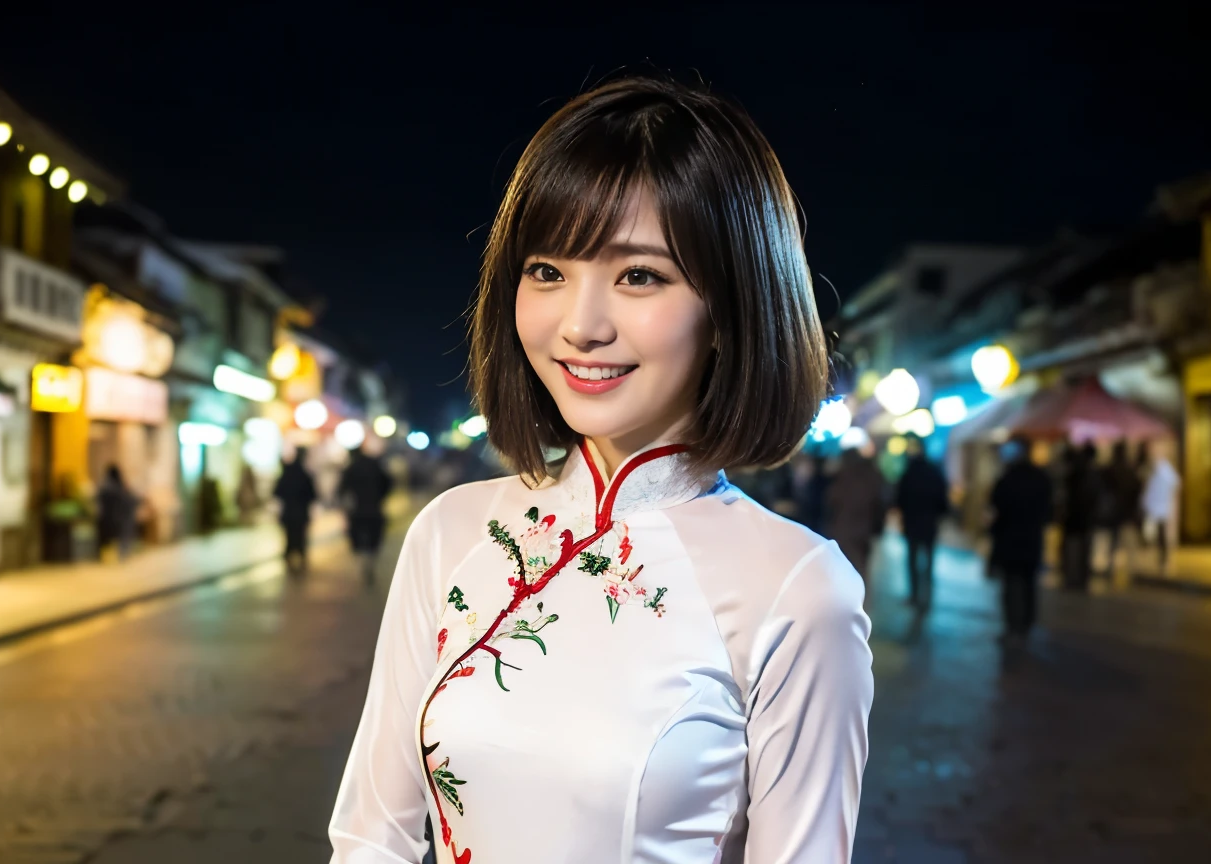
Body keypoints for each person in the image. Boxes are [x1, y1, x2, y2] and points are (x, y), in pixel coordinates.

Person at [328, 77, 873, 862]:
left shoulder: (798, 588)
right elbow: (369, 836)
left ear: (731, 307)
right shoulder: (451, 533)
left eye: (639, 276)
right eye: (547, 270)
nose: (580, 326)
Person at [989, 438, 1054, 639]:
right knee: (1028, 583)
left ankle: (1013, 625)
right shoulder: (1040, 478)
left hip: (1010, 539)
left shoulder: (1008, 478)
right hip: (1031, 539)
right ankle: (1025, 623)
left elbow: (997, 505)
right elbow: (1048, 512)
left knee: (1011, 585)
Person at [824, 441, 887, 601]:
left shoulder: (843, 477)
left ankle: (848, 600)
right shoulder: (871, 475)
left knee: (845, 565)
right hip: (863, 529)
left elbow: (832, 500)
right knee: (861, 566)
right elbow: (880, 502)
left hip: (844, 529)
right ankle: (860, 599)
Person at [895, 435, 949, 611]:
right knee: (928, 561)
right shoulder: (934, 472)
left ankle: (915, 595)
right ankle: (926, 597)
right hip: (929, 523)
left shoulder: (909, 472)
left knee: (912, 560)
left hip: (913, 522)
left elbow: (900, 499)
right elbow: (942, 500)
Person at [339, 435, 395, 586]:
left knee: (356, 537)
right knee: (374, 538)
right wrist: (380, 497)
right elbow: (388, 482)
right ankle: (369, 562)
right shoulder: (375, 464)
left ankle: (362, 562)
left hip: (357, 510)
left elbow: (342, 489)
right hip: (374, 508)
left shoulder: (351, 467)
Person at [1060, 442, 1102, 591]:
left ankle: (1073, 579)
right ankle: (1080, 579)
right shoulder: (1090, 474)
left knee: (1074, 551)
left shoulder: (1076, 473)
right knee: (1082, 551)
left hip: (1076, 519)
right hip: (1083, 519)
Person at [1102, 440, 1142, 578]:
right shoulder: (1128, 471)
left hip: (1117, 511)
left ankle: (1112, 566)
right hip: (1126, 512)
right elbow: (1137, 490)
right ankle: (1131, 569)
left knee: (1115, 540)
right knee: (1127, 541)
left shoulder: (1112, 470)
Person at [274, 447, 318, 574]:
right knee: (301, 538)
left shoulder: (287, 473)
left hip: (288, 513)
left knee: (289, 538)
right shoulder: (305, 474)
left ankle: (290, 562)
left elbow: (277, 493)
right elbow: (312, 495)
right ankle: (300, 561)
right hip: (301, 513)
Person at [1141, 447, 1181, 575]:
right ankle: (1162, 559)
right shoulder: (1162, 472)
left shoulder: (1163, 472)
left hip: (1160, 508)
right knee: (1159, 534)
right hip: (1160, 508)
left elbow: (1153, 491)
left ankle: (1163, 559)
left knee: (1160, 535)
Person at [94, 464, 137, 561]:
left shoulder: (104, 487)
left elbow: (98, 502)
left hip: (105, 522)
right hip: (120, 522)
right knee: (127, 524)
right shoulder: (121, 488)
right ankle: (123, 553)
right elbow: (131, 502)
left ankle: (102, 555)